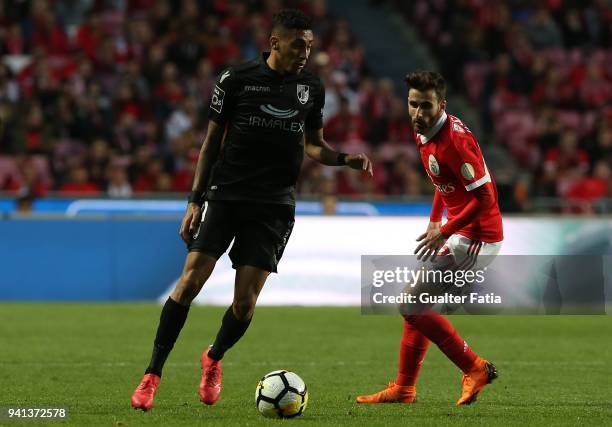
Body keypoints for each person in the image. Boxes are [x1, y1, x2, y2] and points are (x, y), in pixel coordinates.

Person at [131, 9, 372, 411]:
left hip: (274, 204)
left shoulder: (310, 87)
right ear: (275, 43)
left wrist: (344, 159)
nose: (305, 52)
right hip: (226, 195)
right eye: (298, 45)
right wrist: (195, 200)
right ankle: (152, 374)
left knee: (244, 303)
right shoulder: (236, 79)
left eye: (309, 46)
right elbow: (210, 144)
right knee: (189, 283)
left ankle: (214, 358)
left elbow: (313, 145)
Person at [356, 71, 503, 405]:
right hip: (459, 230)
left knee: (411, 303)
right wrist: (436, 220)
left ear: (442, 105)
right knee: (417, 305)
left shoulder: (455, 142)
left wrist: (446, 230)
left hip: (478, 237)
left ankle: (476, 367)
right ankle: (405, 389)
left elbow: (486, 200)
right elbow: (443, 181)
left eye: (426, 106)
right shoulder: (426, 131)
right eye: (412, 104)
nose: (417, 113)